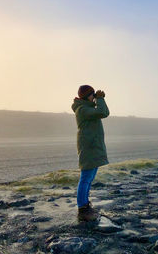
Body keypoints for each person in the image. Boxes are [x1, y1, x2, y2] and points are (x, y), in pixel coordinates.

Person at [71, 85, 110, 222]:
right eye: (92, 94)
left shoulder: (87, 108)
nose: (94, 96)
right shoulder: (82, 110)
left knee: (89, 177)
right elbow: (103, 112)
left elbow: (104, 112)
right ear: (87, 95)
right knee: (85, 177)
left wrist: (99, 99)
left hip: (92, 146)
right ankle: (82, 208)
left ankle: (85, 205)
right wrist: (99, 99)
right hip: (89, 147)